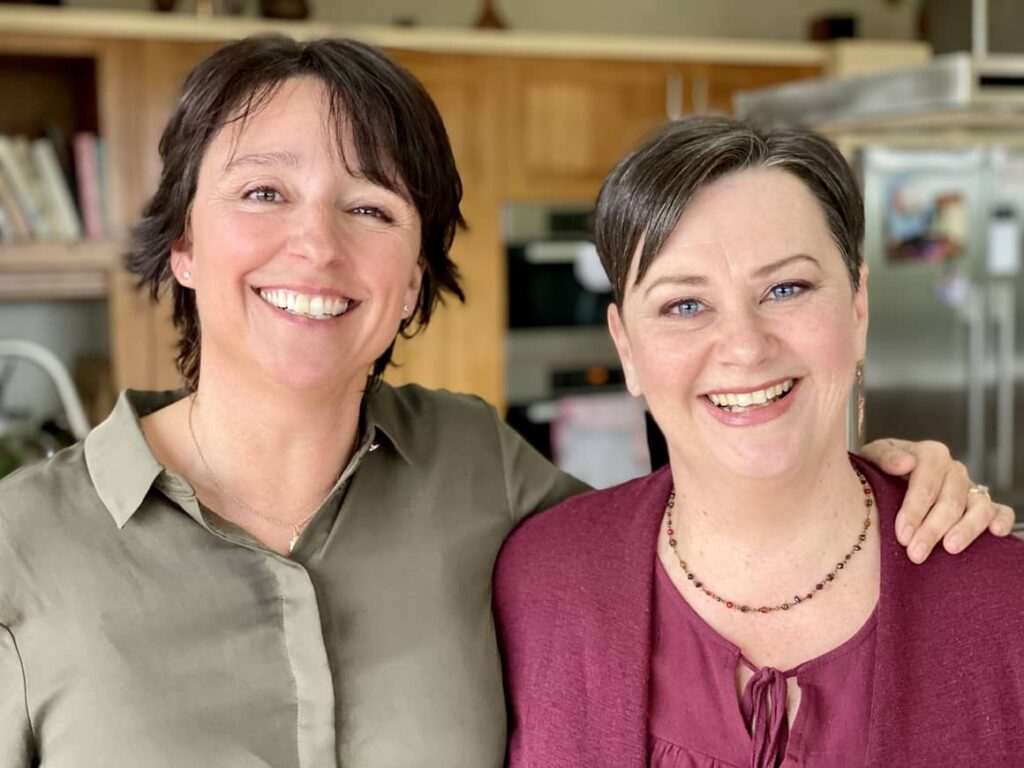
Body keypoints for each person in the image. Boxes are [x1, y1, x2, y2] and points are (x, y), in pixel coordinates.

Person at [0, 38, 1011, 768]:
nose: (316, 246)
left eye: (370, 207)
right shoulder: (22, 550)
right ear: (181, 243)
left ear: (412, 280)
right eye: (263, 193)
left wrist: (885, 469)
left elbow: (721, 498)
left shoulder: (480, 472)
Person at [493, 116, 1024, 768]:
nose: (745, 347)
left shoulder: (1007, 606)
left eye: (786, 288)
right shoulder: (538, 587)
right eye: (685, 305)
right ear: (626, 346)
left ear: (858, 307)